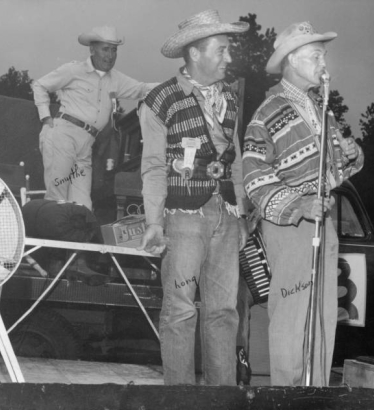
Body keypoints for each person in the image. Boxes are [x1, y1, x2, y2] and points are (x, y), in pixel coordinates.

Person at [243, 22, 363, 386]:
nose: (323, 61)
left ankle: (316, 394)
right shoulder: (270, 111)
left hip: (321, 224)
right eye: (315, 55)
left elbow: (330, 170)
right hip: (291, 227)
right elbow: (253, 176)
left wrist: (351, 156)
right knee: (293, 316)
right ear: (292, 60)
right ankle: (286, 397)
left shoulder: (319, 108)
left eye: (323, 54)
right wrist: (297, 206)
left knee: (324, 316)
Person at [137, 10, 249, 385]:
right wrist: (154, 223)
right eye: (222, 50)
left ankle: (222, 399)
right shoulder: (160, 100)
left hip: (227, 216)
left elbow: (234, 158)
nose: (228, 58)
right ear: (196, 53)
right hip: (182, 218)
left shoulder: (231, 98)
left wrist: (242, 215)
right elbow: (153, 167)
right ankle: (179, 399)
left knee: (224, 311)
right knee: (181, 310)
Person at [32, 26, 156, 211]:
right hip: (63, 136)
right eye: (105, 49)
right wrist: (45, 118)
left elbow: (141, 89)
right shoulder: (73, 70)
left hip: (86, 146)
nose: (111, 55)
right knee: (58, 198)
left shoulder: (116, 79)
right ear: (92, 49)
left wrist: (178, 85)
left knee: (83, 206)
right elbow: (39, 85)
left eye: (114, 50)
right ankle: (48, 239)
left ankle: (75, 238)